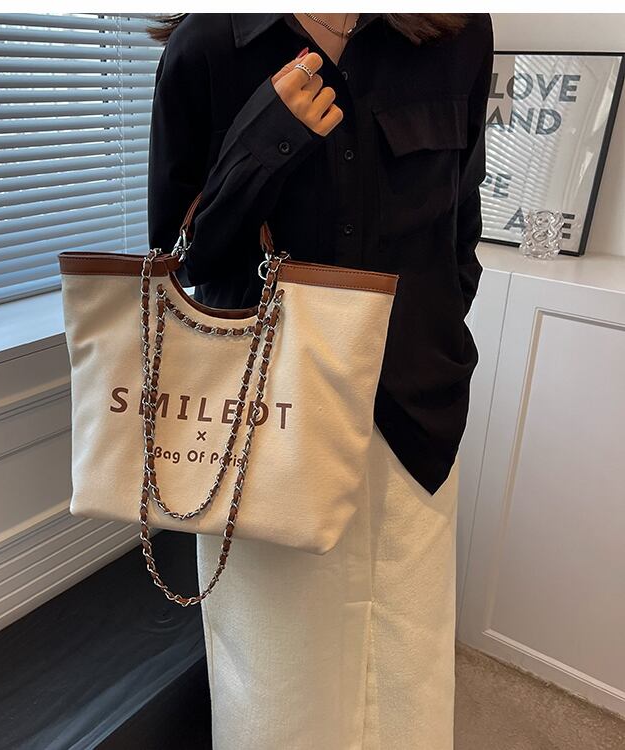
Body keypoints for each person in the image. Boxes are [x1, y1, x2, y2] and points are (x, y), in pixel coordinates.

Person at [146, 13, 494, 750]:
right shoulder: (210, 45)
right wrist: (266, 136)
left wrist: (431, 335)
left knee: (405, 667)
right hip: (267, 423)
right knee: (277, 679)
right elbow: (183, 263)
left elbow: (460, 226)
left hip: (412, 419)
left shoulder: (456, 34)